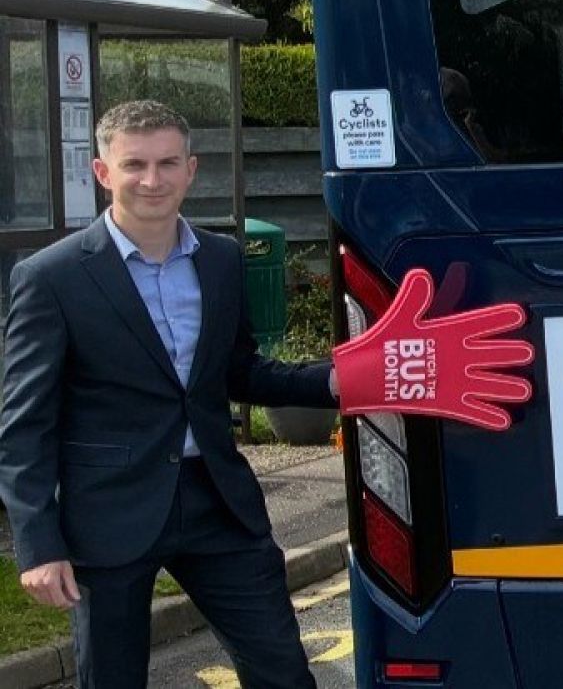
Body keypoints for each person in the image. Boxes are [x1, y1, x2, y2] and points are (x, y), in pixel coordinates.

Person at [0, 100, 339, 689]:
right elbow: (25, 424)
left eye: (167, 163)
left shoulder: (222, 259)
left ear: (191, 169)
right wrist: (38, 542)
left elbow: (237, 371)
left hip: (217, 503)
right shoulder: (51, 277)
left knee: (284, 673)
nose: (152, 180)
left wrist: (331, 380)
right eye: (134, 164)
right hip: (109, 513)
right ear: (102, 172)